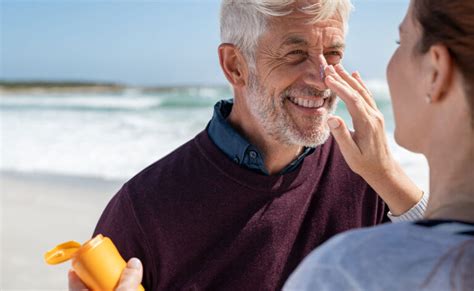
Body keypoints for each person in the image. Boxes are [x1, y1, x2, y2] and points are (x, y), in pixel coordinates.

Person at [69, 0, 428, 290]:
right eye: (295, 54)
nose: (322, 79)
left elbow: (454, 270)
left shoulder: (366, 177)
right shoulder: (144, 210)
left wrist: (388, 176)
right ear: (235, 66)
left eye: (333, 54)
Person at [283, 0, 474, 290]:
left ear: (435, 71)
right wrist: (384, 175)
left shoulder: (345, 272)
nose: (323, 77)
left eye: (401, 41)